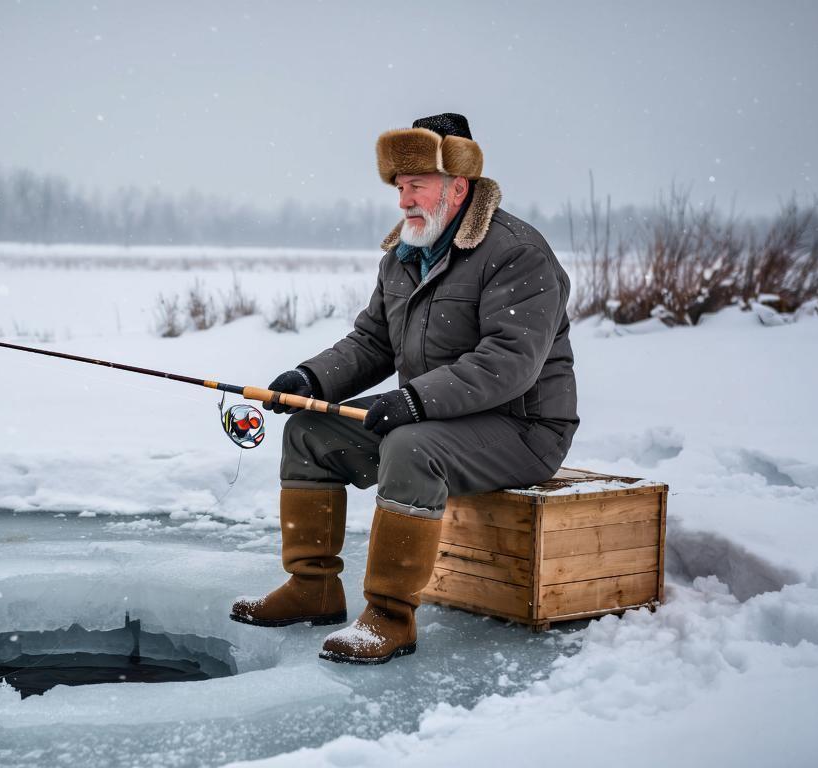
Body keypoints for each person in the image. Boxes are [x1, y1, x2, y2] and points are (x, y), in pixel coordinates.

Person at [230, 112, 579, 664]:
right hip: (439, 417)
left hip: (523, 429)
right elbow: (372, 342)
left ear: (457, 186)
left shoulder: (516, 251)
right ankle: (312, 588)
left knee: (409, 447)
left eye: (415, 185)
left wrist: (413, 401)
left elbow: (510, 362)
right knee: (310, 433)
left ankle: (390, 619)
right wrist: (309, 378)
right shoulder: (403, 255)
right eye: (399, 186)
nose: (403, 200)